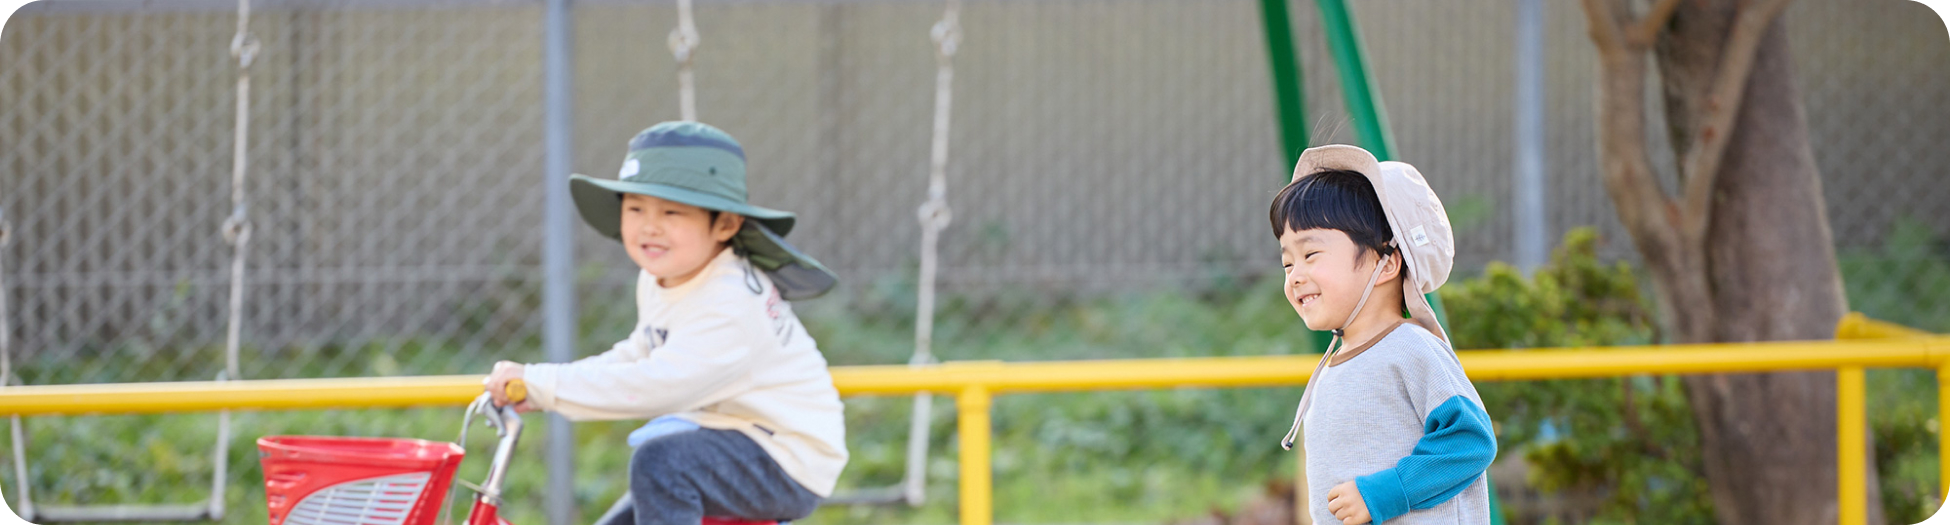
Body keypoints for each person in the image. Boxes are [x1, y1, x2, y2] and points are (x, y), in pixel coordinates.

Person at [482, 121, 846, 525]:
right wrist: (546, 384)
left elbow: (658, 385)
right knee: (653, 477)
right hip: (725, 434)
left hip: (788, 458)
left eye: (672, 211)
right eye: (636, 208)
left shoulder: (731, 301)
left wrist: (547, 386)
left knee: (662, 463)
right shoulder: (662, 277)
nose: (649, 225)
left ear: (725, 225)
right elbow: (639, 353)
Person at [1269, 145, 1495, 524]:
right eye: (1287, 261)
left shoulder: (1411, 348)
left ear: (1386, 262)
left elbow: (1471, 440)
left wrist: (1384, 493)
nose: (1294, 275)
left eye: (1310, 255)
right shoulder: (1336, 364)